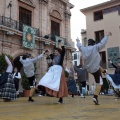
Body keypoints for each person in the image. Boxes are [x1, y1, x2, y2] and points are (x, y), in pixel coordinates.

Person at [76, 32, 112, 105]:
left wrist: (78, 41)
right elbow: (102, 43)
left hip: (89, 69)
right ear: (93, 44)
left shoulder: (84, 49)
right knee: (100, 83)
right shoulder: (95, 47)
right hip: (95, 69)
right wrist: (107, 36)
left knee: (97, 67)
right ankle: (95, 97)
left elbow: (79, 46)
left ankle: (104, 72)